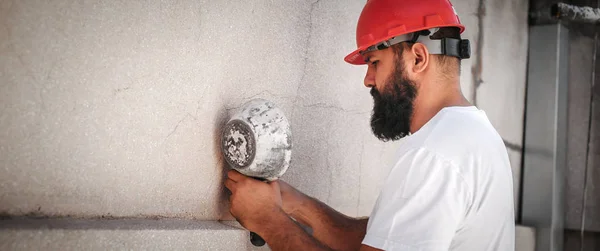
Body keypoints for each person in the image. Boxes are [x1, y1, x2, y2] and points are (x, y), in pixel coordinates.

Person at [224, 0, 515, 250]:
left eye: (374, 62)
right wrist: (294, 203)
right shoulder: (475, 136)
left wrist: (268, 220)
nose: (368, 79)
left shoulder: (434, 153)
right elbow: (386, 239)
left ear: (417, 58)